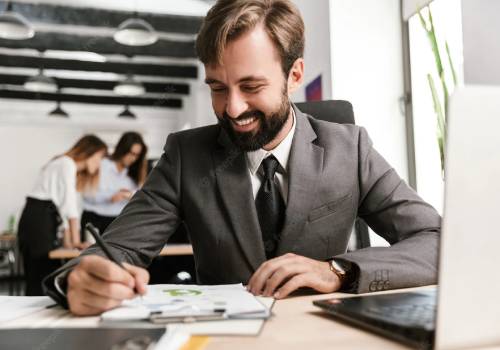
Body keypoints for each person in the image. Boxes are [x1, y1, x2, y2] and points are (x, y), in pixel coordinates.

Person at [44, 0, 441, 315]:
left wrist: (337, 270)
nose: (232, 109)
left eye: (251, 86)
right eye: (218, 87)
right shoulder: (186, 156)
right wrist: (78, 281)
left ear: (295, 75)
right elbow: (112, 252)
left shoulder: (350, 149)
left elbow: (438, 241)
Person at [18, 135, 107, 296]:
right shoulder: (67, 164)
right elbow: (69, 206)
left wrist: (71, 243)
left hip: (37, 217)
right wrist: (76, 241)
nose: (99, 163)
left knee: (38, 275)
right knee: (41, 276)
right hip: (39, 219)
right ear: (88, 152)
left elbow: (63, 210)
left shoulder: (62, 164)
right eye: (99, 157)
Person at [81, 132, 148, 236]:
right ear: (122, 149)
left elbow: (142, 198)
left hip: (118, 222)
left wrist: (130, 196)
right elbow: (85, 194)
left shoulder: (134, 175)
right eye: (130, 153)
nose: (133, 158)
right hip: (93, 219)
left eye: (137, 155)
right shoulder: (101, 165)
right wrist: (109, 198)